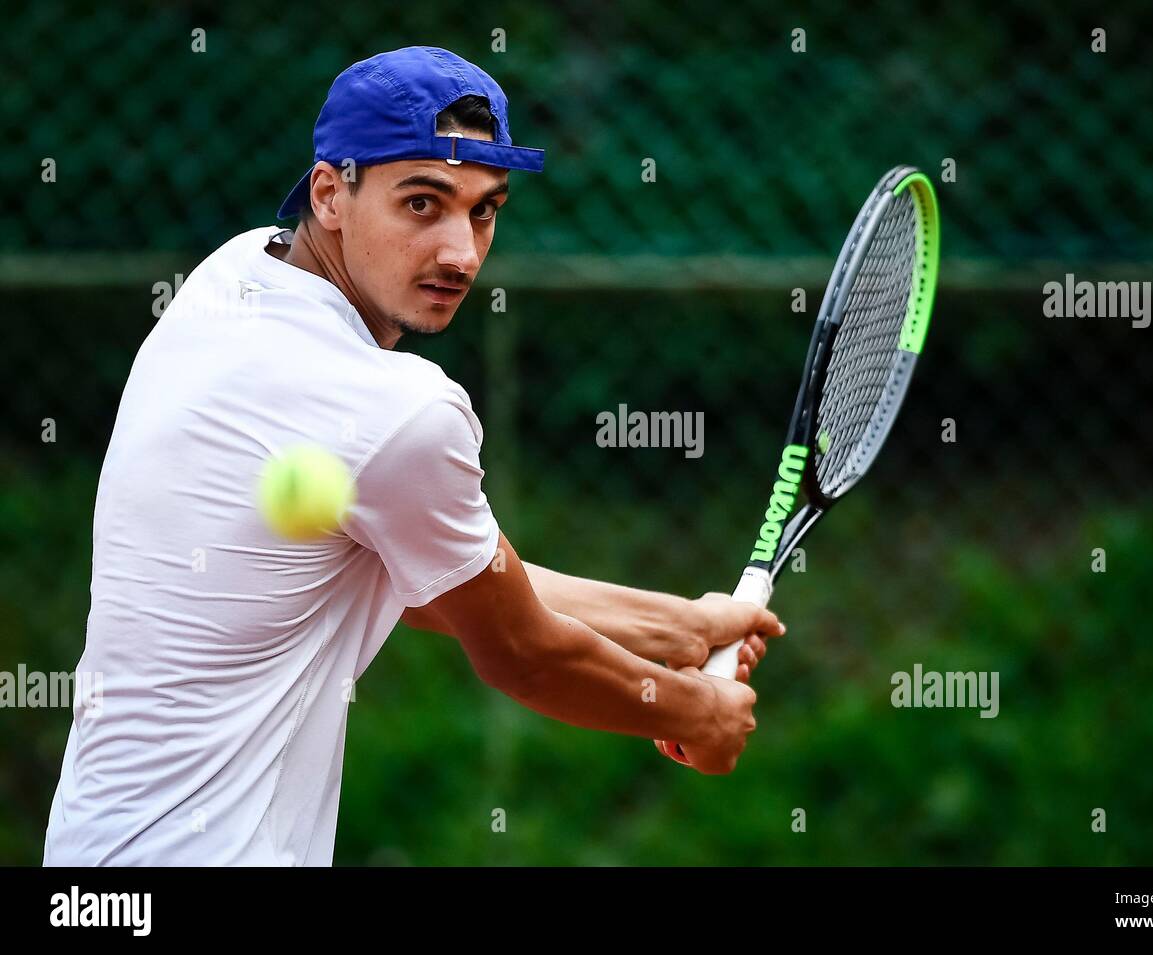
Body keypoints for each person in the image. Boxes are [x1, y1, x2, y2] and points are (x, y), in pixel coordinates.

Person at [43, 46, 783, 866]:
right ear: (331, 192)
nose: (461, 253)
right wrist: (694, 714)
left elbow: (432, 580)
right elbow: (522, 653)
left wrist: (682, 628)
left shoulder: (230, 281)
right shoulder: (397, 410)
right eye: (423, 204)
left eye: (485, 211)